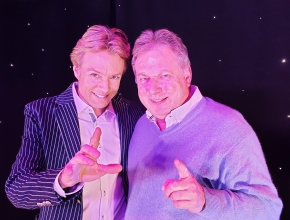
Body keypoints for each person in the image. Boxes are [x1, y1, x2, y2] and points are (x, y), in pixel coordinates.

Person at [125, 29, 283, 220]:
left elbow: (268, 209)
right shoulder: (143, 124)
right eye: (144, 78)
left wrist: (205, 201)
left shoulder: (228, 127)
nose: (153, 89)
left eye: (164, 75)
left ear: (187, 74)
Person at [5, 25, 144, 220]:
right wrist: (64, 179)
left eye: (114, 77)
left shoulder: (135, 113)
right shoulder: (41, 113)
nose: (105, 88)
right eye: (95, 75)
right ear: (77, 69)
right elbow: (17, 190)